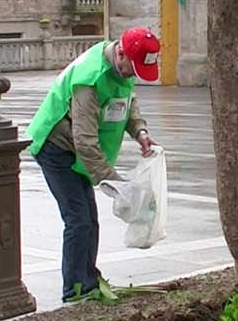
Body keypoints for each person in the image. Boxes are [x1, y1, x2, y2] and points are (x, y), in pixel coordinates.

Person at [27, 29, 159, 301]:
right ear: (120, 53)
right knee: (78, 220)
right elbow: (85, 141)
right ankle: (75, 290)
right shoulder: (90, 78)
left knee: (90, 220)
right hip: (56, 148)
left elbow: (128, 100)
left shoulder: (121, 68)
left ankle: (88, 279)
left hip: (78, 149)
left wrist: (140, 131)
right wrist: (115, 183)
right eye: (132, 68)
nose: (133, 75)